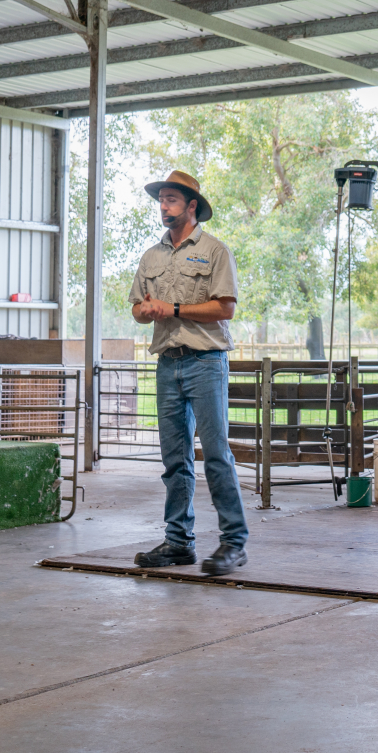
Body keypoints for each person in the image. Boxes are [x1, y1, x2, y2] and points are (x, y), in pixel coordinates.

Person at [129, 169, 249, 575]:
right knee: (174, 460)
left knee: (216, 454)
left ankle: (234, 543)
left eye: (171, 200)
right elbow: (136, 309)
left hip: (205, 363)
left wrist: (174, 309)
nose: (163, 206)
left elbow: (225, 308)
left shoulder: (215, 251)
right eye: (161, 199)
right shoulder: (151, 257)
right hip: (168, 364)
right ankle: (178, 542)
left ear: (191, 206)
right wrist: (145, 311)